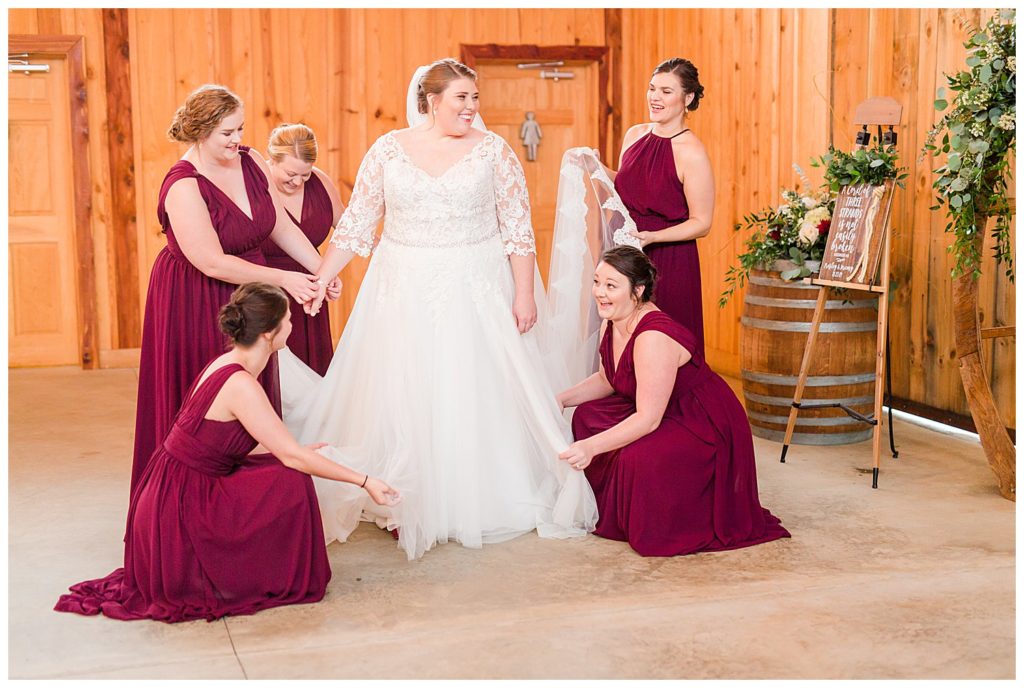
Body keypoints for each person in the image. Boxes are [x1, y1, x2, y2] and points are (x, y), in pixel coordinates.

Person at [283, 58, 597, 560]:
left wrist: (521, 293)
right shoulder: (388, 149)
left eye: (475, 98)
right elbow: (359, 223)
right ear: (432, 101)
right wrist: (321, 277)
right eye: (462, 98)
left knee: (466, 385)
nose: (472, 107)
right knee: (402, 383)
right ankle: (401, 483)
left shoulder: (494, 152)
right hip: (400, 285)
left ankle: (469, 491)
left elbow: (517, 229)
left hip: (473, 284)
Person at [55, 283, 400, 623]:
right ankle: (268, 574)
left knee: (286, 469)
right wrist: (365, 480)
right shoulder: (242, 385)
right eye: (289, 319)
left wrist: (290, 450)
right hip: (182, 506)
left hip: (170, 491)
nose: (293, 326)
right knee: (292, 478)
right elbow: (292, 457)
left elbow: (226, 441)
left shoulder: (226, 364)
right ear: (269, 333)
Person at [131, 84, 336, 496]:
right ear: (199, 131)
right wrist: (284, 280)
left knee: (255, 392)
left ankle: (252, 498)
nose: (238, 140)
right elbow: (211, 261)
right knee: (209, 398)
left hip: (251, 290)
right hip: (195, 297)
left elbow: (277, 224)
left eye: (240, 129)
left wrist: (321, 270)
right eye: (228, 133)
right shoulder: (182, 185)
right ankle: (189, 500)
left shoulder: (251, 161)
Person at [557, 247, 790, 557]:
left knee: (635, 457)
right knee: (586, 416)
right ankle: (606, 507)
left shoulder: (652, 336)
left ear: (637, 291)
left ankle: (667, 515)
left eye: (611, 286)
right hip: (657, 404)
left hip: (700, 419)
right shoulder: (611, 321)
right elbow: (607, 379)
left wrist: (591, 447)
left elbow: (649, 419)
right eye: (597, 282)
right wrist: (561, 399)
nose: (600, 292)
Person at [611, 58, 715, 352]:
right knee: (624, 341)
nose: (655, 98)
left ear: (688, 98)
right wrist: (593, 167)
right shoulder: (635, 135)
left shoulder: (692, 152)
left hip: (669, 260)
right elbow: (630, 186)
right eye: (652, 88)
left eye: (666, 91)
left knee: (662, 344)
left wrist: (654, 237)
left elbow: (702, 222)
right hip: (627, 255)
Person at [261, 123, 344, 375]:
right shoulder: (255, 184)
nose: (298, 182)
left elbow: (348, 229)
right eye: (290, 173)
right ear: (272, 159)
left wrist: (329, 273)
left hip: (311, 291)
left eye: (304, 175)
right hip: (267, 290)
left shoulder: (321, 183)